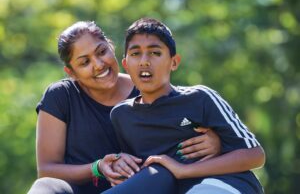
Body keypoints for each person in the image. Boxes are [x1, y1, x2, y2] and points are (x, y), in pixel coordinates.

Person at [27, 21, 222, 194]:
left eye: (102, 51)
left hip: (141, 186)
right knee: (45, 187)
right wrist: (97, 167)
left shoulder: (147, 87)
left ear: (111, 47)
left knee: (160, 175)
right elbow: (47, 170)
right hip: (75, 189)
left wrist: (217, 144)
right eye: (85, 62)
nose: (98, 65)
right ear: (72, 72)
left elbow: (177, 142)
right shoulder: (60, 96)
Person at [103, 18, 265, 194]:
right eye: (135, 54)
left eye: (155, 53)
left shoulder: (200, 98)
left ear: (174, 62)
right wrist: (118, 164)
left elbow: (255, 155)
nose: (144, 61)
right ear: (125, 64)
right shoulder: (121, 115)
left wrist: (183, 170)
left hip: (222, 184)